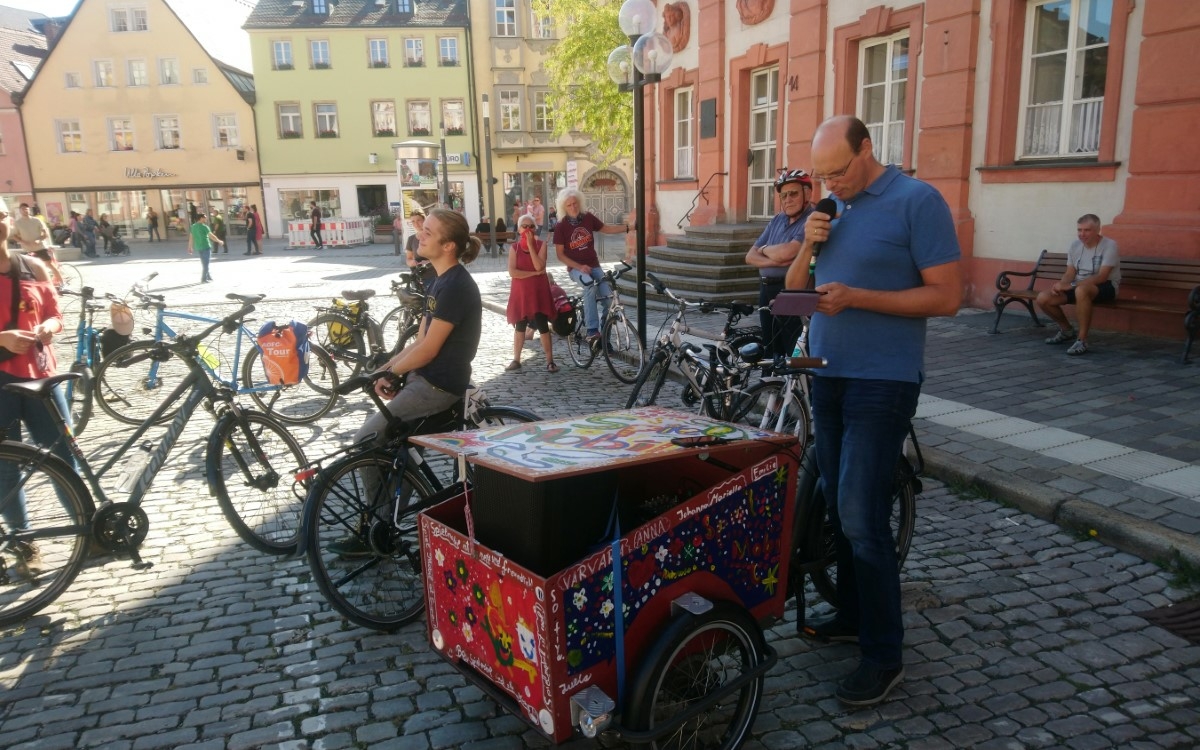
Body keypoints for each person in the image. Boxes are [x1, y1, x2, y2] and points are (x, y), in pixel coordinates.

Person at [784, 115, 962, 707]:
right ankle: (856, 616)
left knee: (862, 516)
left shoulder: (918, 201)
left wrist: (858, 298)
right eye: (822, 175)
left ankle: (885, 656)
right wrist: (809, 244)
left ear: (868, 149)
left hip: (882, 383)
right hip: (828, 377)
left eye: (840, 170)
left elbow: (947, 296)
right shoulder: (832, 211)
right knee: (836, 507)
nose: (831, 183)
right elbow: (796, 286)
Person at [332, 209, 482, 557]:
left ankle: (377, 527)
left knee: (365, 439)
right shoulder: (438, 280)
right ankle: (384, 523)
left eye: (428, 232)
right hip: (424, 380)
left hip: (439, 387)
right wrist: (384, 369)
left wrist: (394, 373)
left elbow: (429, 350)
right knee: (390, 447)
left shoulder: (456, 286)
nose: (420, 236)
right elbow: (418, 341)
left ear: (448, 245)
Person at [0, 198, 72, 578]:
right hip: (1, 384)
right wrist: (2, 338)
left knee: (64, 458)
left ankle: (89, 530)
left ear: (9, 221)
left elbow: (55, 314)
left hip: (42, 378)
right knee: (5, 468)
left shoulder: (33, 265)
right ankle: (23, 546)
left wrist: (49, 329)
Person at [746, 169, 816, 357]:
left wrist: (764, 249)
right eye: (783, 195)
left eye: (793, 194)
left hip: (791, 290)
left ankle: (797, 385)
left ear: (807, 193)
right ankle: (772, 385)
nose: (787, 199)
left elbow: (788, 252)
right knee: (770, 346)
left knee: (792, 347)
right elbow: (749, 256)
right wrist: (772, 254)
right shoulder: (778, 219)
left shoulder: (811, 219)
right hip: (766, 289)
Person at [1035, 214, 1120, 356]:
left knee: (1081, 290)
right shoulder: (1075, 245)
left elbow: (1101, 277)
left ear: (1098, 230)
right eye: (1079, 230)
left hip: (1106, 286)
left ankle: (1082, 340)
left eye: (1087, 230)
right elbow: (1070, 272)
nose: (1082, 234)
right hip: (1078, 286)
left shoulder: (1109, 245)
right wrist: (1061, 284)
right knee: (1043, 298)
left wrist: (1072, 285)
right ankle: (1067, 330)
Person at [552, 187, 627, 342]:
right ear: (563, 207)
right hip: (576, 269)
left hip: (594, 266)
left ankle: (604, 339)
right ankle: (592, 331)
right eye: (569, 205)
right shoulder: (561, 226)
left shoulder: (588, 218)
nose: (573, 207)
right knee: (589, 285)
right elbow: (560, 255)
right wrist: (579, 267)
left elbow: (606, 228)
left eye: (575, 203)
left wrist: (629, 228)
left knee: (609, 300)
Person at [505, 213, 558, 373]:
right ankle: (516, 359)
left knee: (542, 324)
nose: (528, 229)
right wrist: (532, 274)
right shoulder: (514, 248)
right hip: (521, 292)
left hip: (538, 291)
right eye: (524, 226)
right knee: (520, 325)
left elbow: (538, 266)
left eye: (531, 226)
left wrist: (531, 245)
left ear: (535, 229)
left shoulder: (541, 245)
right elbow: (513, 272)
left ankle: (550, 361)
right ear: (519, 229)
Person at [188, 213, 223, 283]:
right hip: (206, 246)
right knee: (206, 263)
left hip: (198, 247)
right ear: (201, 218)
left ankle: (208, 276)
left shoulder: (193, 226)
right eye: (205, 217)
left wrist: (190, 247)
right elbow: (211, 236)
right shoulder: (204, 227)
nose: (206, 219)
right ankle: (203, 279)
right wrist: (219, 241)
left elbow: (191, 237)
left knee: (204, 263)